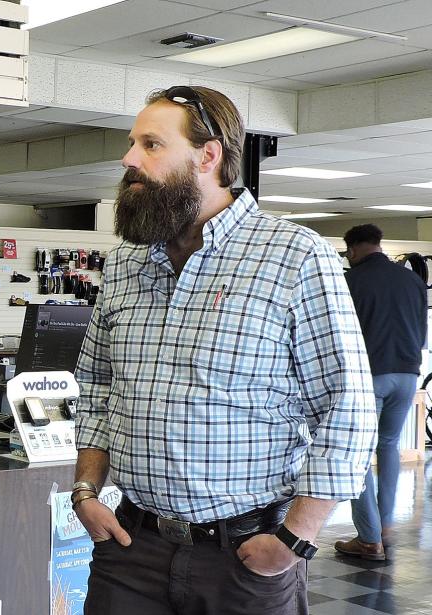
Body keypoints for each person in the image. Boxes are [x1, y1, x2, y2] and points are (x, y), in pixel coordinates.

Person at [70, 85, 377, 615]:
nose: (128, 159)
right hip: (130, 548)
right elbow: (97, 384)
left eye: (150, 145)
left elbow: (347, 406)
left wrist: (295, 539)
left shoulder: (294, 257)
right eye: (132, 143)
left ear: (207, 156)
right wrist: (85, 492)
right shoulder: (124, 264)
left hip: (243, 554)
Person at [334, 224, 427, 560]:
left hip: (368, 377)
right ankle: (384, 525)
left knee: (358, 454)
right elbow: (420, 334)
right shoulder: (413, 281)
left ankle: (368, 538)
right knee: (388, 446)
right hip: (406, 374)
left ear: (353, 248)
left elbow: (339, 336)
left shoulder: (351, 282)